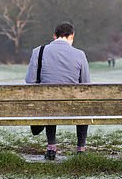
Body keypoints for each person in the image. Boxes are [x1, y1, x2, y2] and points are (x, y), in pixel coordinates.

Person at [25, 22, 90, 160]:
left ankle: (51, 147)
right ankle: (81, 148)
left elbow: (30, 81)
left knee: (49, 101)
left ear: (54, 36)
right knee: (83, 105)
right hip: (74, 106)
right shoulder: (80, 54)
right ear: (71, 36)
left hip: (48, 105)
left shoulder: (38, 51)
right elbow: (85, 84)